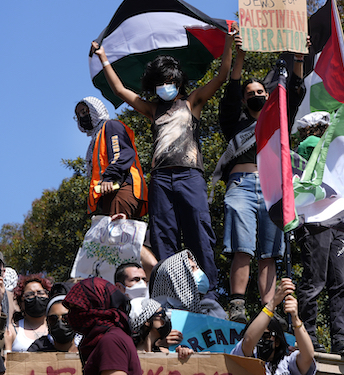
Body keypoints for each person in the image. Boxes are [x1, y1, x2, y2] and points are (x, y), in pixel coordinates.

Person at [93, 29, 237, 296]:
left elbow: (221, 75)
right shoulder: (152, 109)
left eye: (170, 80)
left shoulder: (192, 102)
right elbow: (120, 90)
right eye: (161, 81)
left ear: (178, 81)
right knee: (163, 235)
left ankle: (209, 292)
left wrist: (229, 41)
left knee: (199, 229)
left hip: (190, 175)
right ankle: (170, 291)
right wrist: (103, 58)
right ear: (154, 84)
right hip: (161, 178)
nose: (166, 85)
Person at [217, 45, 306, 323]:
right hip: (241, 185)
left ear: (268, 96)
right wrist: (239, 55)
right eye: (250, 94)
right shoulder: (235, 123)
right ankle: (237, 306)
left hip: (272, 187)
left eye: (260, 92)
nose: (256, 95)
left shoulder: (279, 119)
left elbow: (295, 91)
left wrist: (300, 57)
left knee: (270, 252)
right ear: (244, 101)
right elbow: (231, 89)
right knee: (243, 248)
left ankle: (269, 309)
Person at [75, 96, 157, 276]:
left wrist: (110, 178)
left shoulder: (111, 126)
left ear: (96, 109)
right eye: (79, 114)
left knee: (120, 241)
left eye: (85, 111)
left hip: (121, 190)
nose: (82, 116)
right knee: (117, 246)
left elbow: (122, 154)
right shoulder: (96, 137)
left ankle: (153, 274)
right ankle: (138, 281)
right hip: (109, 195)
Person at [293, 111, 344, 356]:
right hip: (317, 218)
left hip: (332, 217)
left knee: (338, 281)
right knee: (323, 281)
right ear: (317, 128)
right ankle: (320, 337)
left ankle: (336, 340)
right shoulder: (310, 144)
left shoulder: (326, 145)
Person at [231, 278, 316, 375]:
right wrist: (272, 303)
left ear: (277, 341)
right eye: (258, 336)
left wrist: (295, 319)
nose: (261, 340)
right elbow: (249, 340)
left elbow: (307, 356)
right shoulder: (243, 357)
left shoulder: (286, 363)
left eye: (266, 336)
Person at [64, 277, 140, 375]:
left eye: (78, 308)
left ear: (98, 305)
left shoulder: (111, 341)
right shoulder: (109, 337)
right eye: (71, 308)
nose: (73, 314)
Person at [115, 263, 182, 348]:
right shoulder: (113, 316)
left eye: (144, 279)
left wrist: (158, 341)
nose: (142, 284)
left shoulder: (152, 306)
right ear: (119, 287)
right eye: (135, 279)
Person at [149, 249, 226, 319]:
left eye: (197, 268)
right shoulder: (156, 318)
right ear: (176, 277)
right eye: (192, 269)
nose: (199, 272)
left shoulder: (212, 311)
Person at [5, 274, 53, 352]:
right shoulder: (12, 331)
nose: (36, 297)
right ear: (21, 302)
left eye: (40, 293)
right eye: (29, 295)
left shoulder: (57, 327)